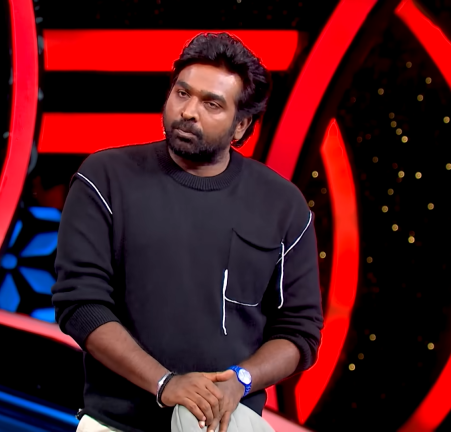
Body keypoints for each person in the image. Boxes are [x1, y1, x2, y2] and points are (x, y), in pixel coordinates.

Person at [52, 32, 323, 432]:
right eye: (182, 93)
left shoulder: (282, 205)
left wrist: (241, 380)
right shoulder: (105, 178)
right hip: (114, 424)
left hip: (225, 425)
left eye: (212, 104)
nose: (188, 112)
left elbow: (300, 332)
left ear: (241, 125)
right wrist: (165, 383)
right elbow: (80, 305)